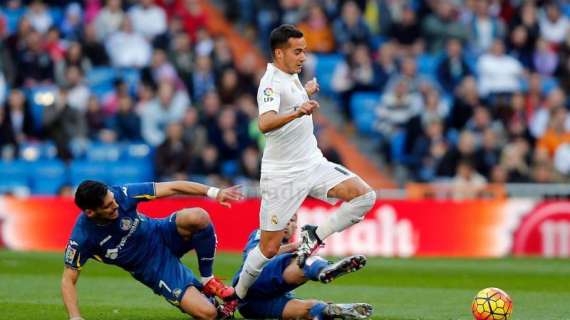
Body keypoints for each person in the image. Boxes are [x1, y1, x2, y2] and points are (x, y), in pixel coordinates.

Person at [224, 24, 376, 315]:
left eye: (304, 50)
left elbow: (289, 103)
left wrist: (303, 95)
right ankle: (237, 295)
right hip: (282, 175)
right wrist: (299, 110)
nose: (303, 56)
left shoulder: (292, 77)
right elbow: (265, 123)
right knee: (267, 249)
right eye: (297, 51)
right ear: (279, 53)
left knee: (364, 197)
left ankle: (314, 236)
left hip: (312, 162)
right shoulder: (270, 83)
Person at [61, 180, 243, 320]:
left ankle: (207, 279)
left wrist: (214, 192)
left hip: (161, 232)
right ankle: (213, 305)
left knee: (198, 216)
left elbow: (172, 187)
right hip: (153, 267)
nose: (115, 205)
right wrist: (75, 316)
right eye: (108, 206)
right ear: (90, 212)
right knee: (207, 314)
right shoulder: (83, 237)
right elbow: (68, 279)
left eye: (113, 200)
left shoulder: (121, 194)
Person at [226, 215, 373, 319]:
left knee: (306, 309)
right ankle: (323, 269)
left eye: (292, 220)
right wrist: (295, 247)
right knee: (303, 259)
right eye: (284, 219)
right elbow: (254, 255)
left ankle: (327, 310)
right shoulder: (262, 234)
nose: (287, 223)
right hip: (251, 284)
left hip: (253, 307)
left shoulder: (292, 251)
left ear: (296, 227)